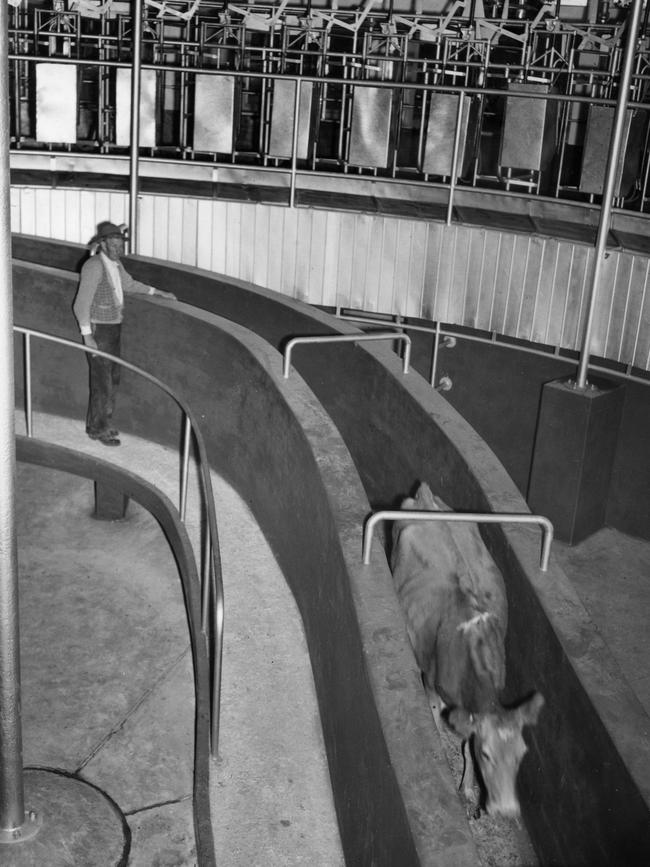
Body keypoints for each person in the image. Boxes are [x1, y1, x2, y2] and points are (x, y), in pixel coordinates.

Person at [73, 221, 177, 446]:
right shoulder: (93, 266)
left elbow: (129, 285)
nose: (118, 246)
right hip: (100, 329)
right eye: (113, 241)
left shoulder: (115, 264)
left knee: (112, 378)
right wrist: (87, 336)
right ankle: (98, 429)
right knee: (103, 381)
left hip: (113, 327)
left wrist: (157, 292)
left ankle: (102, 423)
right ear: (102, 243)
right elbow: (81, 304)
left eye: (120, 241)